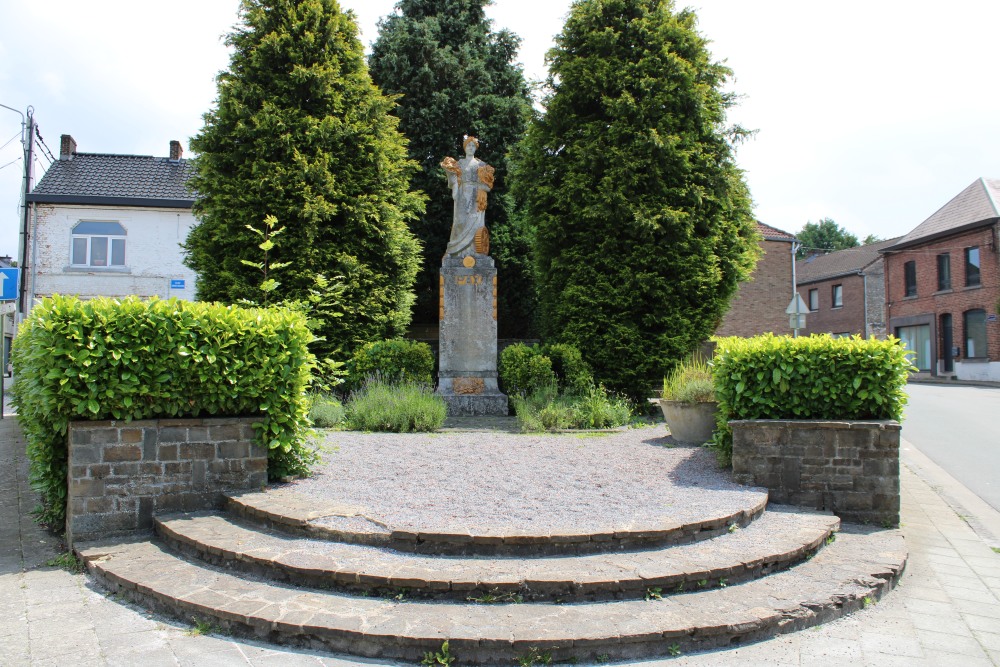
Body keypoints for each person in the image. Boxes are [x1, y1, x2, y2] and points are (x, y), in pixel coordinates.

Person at [441, 136, 494, 256]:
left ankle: (473, 253)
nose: (471, 148)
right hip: (462, 194)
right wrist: (450, 175)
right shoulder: (459, 163)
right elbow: (454, 180)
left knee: (475, 223)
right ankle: (457, 252)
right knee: (459, 222)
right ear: (465, 147)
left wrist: (482, 188)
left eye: (473, 146)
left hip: (476, 195)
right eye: (468, 145)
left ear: (476, 148)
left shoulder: (481, 164)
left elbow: (488, 184)